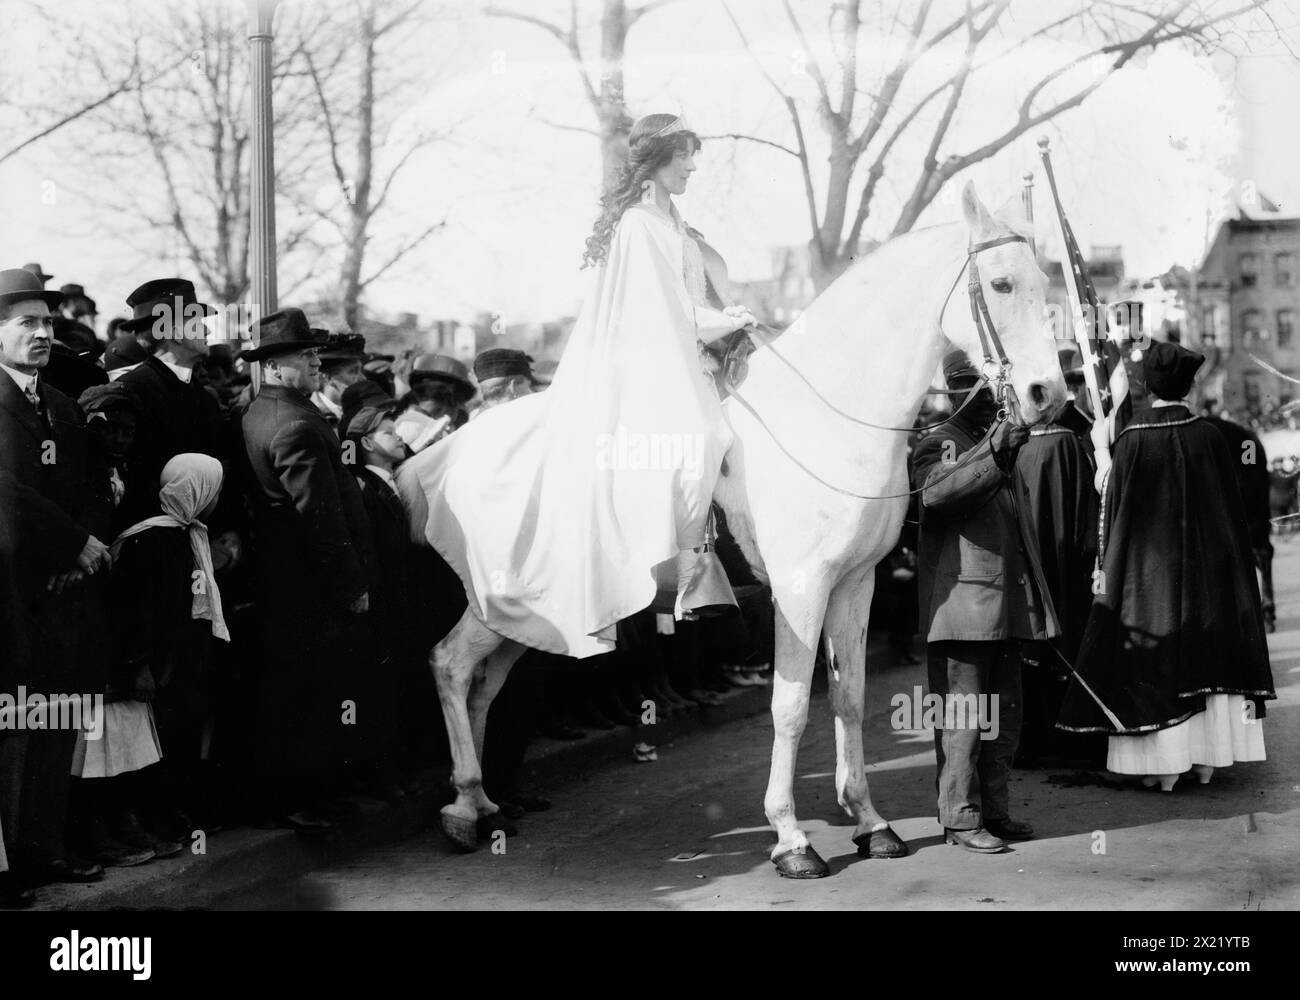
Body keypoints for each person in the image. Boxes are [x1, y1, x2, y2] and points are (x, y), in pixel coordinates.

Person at [404, 113, 755, 659]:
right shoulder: (639, 224)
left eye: (692, 156)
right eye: (683, 156)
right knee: (703, 434)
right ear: (657, 161)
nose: (691, 166)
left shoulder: (676, 224)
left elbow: (693, 300)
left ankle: (695, 566)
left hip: (685, 355)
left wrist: (725, 315)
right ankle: (685, 571)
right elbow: (664, 309)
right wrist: (722, 321)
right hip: (650, 360)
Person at [1057, 341, 1276, 789]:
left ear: (1148, 386)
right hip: (1207, 580)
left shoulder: (1133, 439)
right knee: (1206, 658)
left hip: (1148, 579)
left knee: (1156, 662)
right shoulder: (1211, 437)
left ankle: (1162, 766)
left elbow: (1111, 500)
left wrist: (1102, 454)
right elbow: (1228, 515)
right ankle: (1207, 760)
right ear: (1190, 385)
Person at [911, 351, 1058, 853]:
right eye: (984, 388)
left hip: (1003, 609)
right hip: (960, 612)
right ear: (958, 391)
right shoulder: (938, 442)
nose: (996, 398)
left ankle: (993, 812)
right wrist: (995, 450)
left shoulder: (988, 442)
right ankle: (959, 817)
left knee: (1004, 720)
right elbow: (936, 495)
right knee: (963, 721)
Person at [240, 309, 372, 832]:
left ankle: (305, 796)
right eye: (306, 354)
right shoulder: (295, 421)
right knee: (312, 692)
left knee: (299, 689)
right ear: (274, 365)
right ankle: (306, 801)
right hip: (308, 584)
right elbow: (318, 515)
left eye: (316, 352)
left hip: (287, 579)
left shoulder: (264, 411)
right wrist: (351, 584)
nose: (318, 361)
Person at [0, 268, 109, 903]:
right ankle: (9, 864)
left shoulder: (63, 404)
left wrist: (86, 546)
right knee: (15, 726)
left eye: (46, 324)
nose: (43, 334)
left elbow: (99, 483)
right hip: (12, 591)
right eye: (27, 325)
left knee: (57, 721)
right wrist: (72, 540)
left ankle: (46, 849)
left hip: (63, 591)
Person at [1011, 348, 1106, 768]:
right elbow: (1088, 510)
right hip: (1067, 564)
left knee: (1032, 653)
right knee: (1067, 643)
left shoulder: (1015, 448)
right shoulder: (1070, 444)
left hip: (1030, 568)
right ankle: (1070, 740)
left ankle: (1032, 742)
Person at [114, 278, 224, 528]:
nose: (207, 331)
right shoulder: (133, 391)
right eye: (198, 322)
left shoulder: (205, 396)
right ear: (173, 331)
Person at [312, 332, 368, 429]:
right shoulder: (311, 419)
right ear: (326, 377)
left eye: (361, 370)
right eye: (353, 371)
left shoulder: (362, 414)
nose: (363, 378)